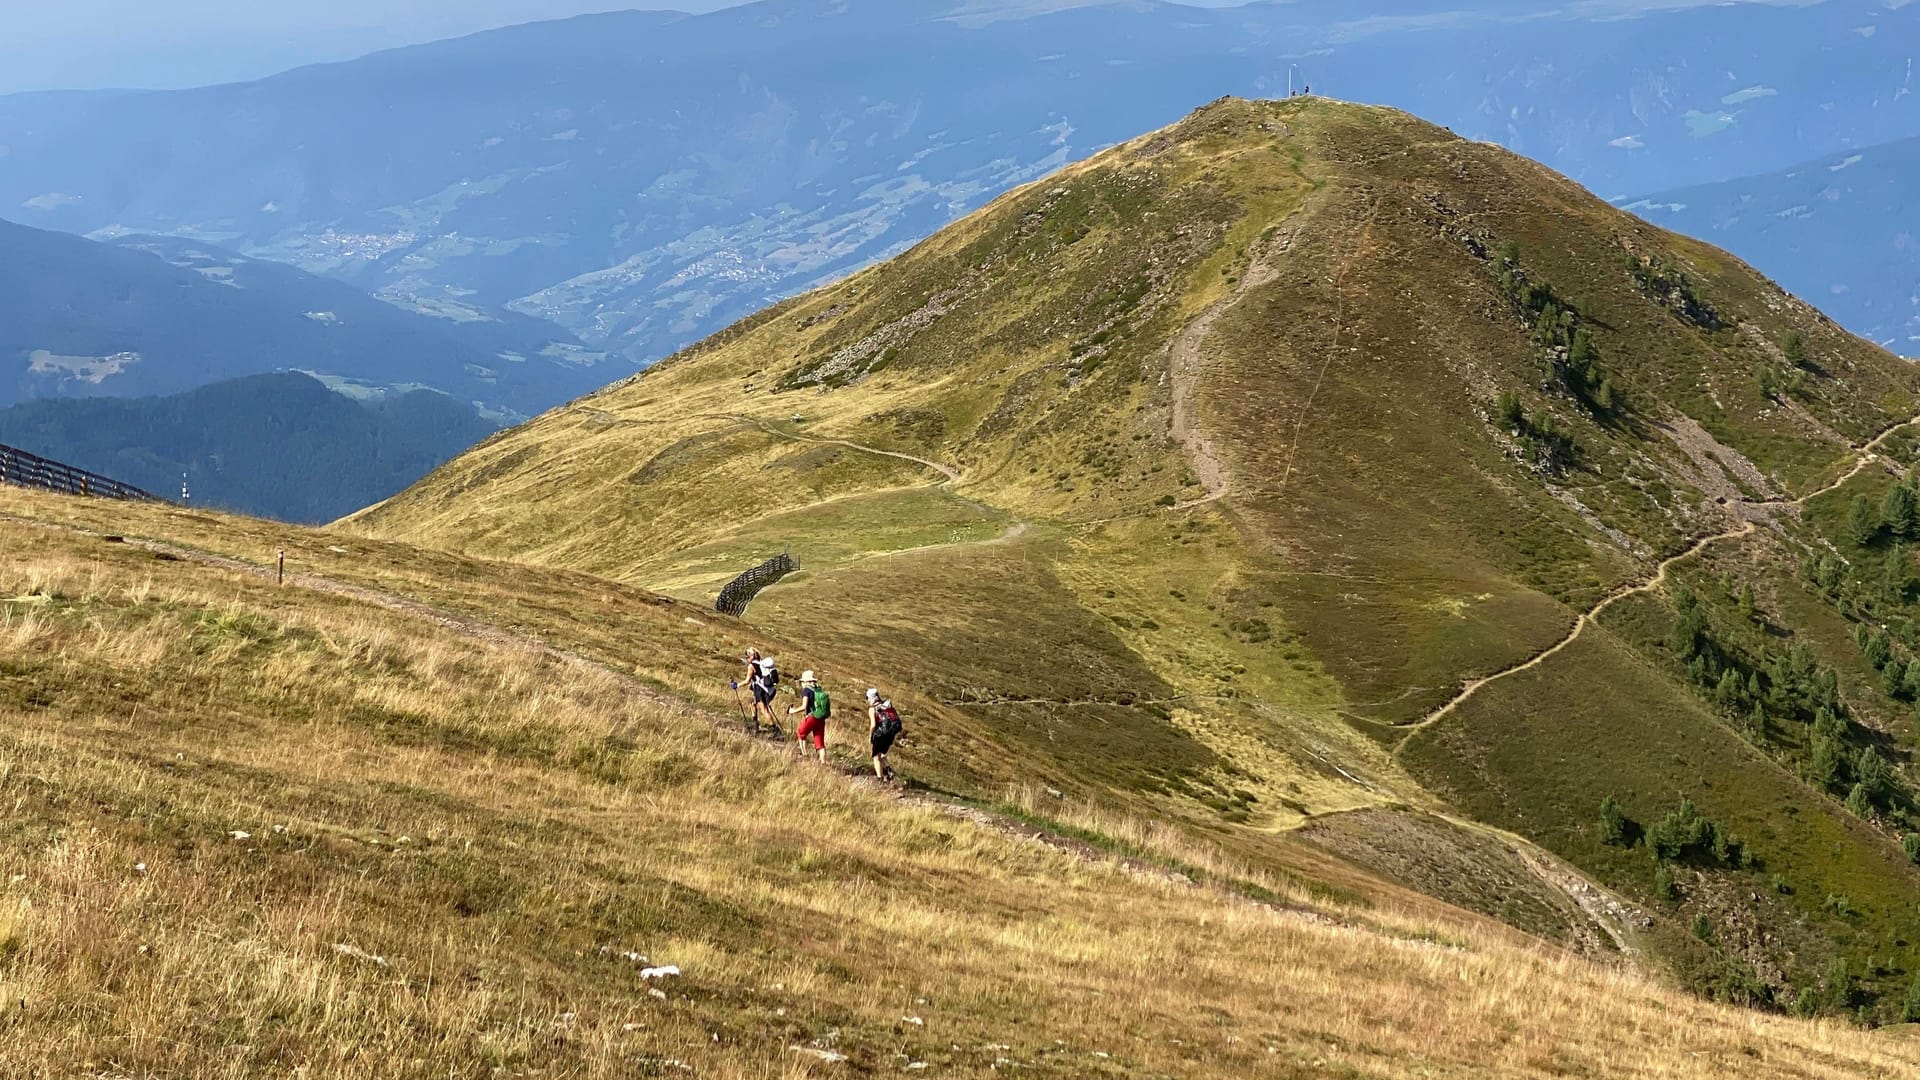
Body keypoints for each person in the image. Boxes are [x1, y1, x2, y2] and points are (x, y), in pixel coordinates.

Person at [787, 670, 831, 765]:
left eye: (802, 682)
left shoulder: (806, 690)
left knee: (800, 733)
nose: (801, 683)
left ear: (806, 682)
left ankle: (804, 754)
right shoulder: (818, 689)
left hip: (811, 717)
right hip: (821, 719)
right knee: (819, 741)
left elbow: (804, 706)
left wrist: (793, 711)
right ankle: (823, 762)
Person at [866, 688, 903, 783]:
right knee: (882, 753)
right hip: (890, 733)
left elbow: (873, 725)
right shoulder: (887, 705)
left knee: (875, 757)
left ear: (870, 698)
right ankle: (888, 770)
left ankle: (880, 779)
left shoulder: (872, 709)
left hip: (880, 734)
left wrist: (870, 735)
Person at [742, 648, 780, 735]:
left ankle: (775, 731)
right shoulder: (761, 663)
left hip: (760, 690)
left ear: (751, 657)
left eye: (747, 657)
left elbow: (747, 681)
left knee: (764, 710)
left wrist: (737, 685)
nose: (747, 659)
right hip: (768, 690)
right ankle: (755, 724)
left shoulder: (751, 666)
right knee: (753, 703)